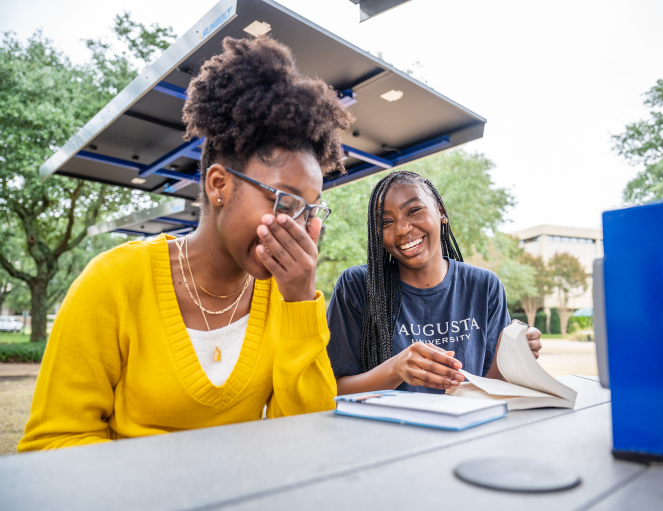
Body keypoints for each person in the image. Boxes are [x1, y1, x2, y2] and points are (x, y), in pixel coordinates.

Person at [19, 36, 353, 451]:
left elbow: (305, 441)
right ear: (219, 185)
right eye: (283, 201)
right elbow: (53, 442)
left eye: (310, 210)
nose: (297, 226)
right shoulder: (114, 280)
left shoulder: (286, 300)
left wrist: (301, 303)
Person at [326, 171, 542, 395]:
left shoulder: (484, 286)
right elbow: (333, 391)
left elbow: (491, 389)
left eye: (414, 211)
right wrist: (395, 369)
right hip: (388, 429)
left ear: (440, 210)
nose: (402, 229)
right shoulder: (358, 285)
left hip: (467, 428)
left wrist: (513, 356)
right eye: (387, 222)